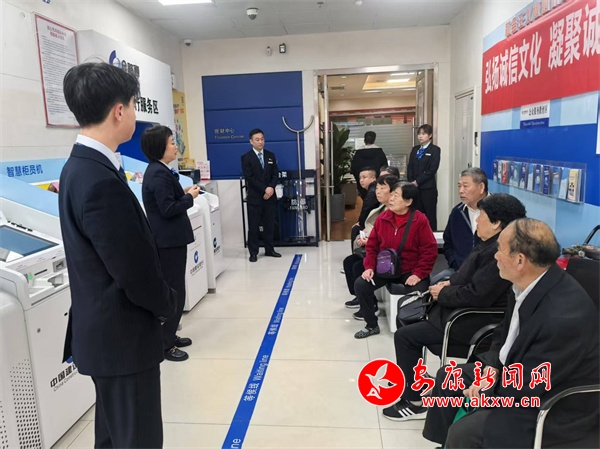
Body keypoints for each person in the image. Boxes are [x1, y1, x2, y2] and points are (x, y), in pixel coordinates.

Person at [59, 62, 176, 448]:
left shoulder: (79, 167)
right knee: (138, 439)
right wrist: (167, 304)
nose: (135, 114)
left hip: (106, 338)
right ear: (119, 111)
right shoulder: (98, 180)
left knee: (114, 438)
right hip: (124, 339)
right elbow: (132, 271)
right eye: (134, 105)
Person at [423, 218, 599, 448]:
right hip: (514, 374)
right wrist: (493, 366)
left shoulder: (561, 317)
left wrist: (488, 389)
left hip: (551, 403)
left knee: (465, 432)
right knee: (448, 379)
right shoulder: (524, 285)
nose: (495, 256)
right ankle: (443, 443)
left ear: (519, 260)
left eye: (500, 249)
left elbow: (532, 383)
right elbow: (504, 333)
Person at [382, 193, 526, 421]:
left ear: (497, 223)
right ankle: (416, 380)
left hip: (469, 321)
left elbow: (478, 295)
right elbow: (467, 276)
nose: (477, 220)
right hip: (456, 313)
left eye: (481, 215)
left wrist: (444, 293)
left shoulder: (498, 255)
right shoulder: (489, 245)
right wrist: (449, 283)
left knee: (405, 336)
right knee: (408, 318)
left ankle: (415, 402)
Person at [141, 125, 200, 362]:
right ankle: (165, 345)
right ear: (160, 147)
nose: (176, 146)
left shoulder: (160, 171)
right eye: (172, 142)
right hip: (167, 242)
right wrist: (189, 198)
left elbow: (165, 200)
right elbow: (167, 209)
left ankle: (170, 335)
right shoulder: (158, 173)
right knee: (173, 291)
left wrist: (182, 192)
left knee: (175, 290)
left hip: (170, 240)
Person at [353, 182, 438, 339]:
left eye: (396, 196)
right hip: (386, 268)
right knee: (361, 284)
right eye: (391, 195)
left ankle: (412, 329)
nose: (391, 199)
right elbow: (372, 246)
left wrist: (419, 274)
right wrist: (369, 267)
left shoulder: (419, 220)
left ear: (408, 201)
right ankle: (371, 325)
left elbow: (429, 250)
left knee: (419, 291)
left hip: (410, 270)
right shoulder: (383, 218)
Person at [343, 174, 399, 308]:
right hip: (375, 249)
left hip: (389, 256)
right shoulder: (381, 208)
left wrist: (370, 240)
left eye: (382, 188)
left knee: (357, 266)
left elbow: (391, 238)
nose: (378, 192)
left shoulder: (396, 212)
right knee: (349, 262)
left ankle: (370, 303)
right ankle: (360, 297)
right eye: (377, 188)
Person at [433, 167, 488, 283]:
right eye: (459, 186)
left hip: (489, 273)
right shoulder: (457, 212)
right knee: (435, 282)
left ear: (481, 187)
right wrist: (455, 263)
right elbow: (448, 243)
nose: (461, 191)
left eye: (465, 186)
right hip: (460, 270)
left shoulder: (498, 211)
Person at [241, 128, 281, 262]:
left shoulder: (270, 155)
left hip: (270, 197)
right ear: (251, 141)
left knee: (269, 224)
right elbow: (250, 178)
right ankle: (253, 252)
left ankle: (269, 249)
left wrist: (271, 188)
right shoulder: (246, 158)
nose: (260, 142)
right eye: (257, 140)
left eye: (262, 139)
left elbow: (275, 174)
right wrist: (265, 189)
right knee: (254, 226)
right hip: (255, 198)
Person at [407, 124, 441, 231]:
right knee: (416, 215)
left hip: (428, 188)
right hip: (414, 188)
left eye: (423, 134)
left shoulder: (435, 150)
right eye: (419, 134)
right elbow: (410, 166)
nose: (420, 136)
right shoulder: (415, 149)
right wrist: (411, 181)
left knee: (430, 215)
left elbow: (432, 169)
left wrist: (418, 181)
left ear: (430, 135)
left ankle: (432, 236)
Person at [351, 131, 388, 199]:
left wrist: (360, 178)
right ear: (374, 139)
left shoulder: (358, 152)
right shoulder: (379, 152)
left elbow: (354, 167)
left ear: (364, 140)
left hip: (362, 185)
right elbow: (384, 167)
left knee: (365, 198)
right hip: (376, 182)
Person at [348, 167, 380, 244]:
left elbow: (367, 208)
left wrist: (360, 223)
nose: (361, 180)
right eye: (360, 178)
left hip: (373, 223)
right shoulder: (371, 189)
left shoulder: (372, 191)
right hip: (374, 221)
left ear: (373, 178)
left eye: (364, 177)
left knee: (356, 229)